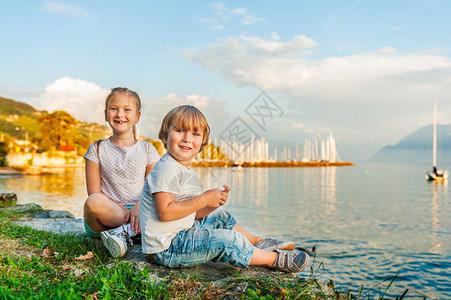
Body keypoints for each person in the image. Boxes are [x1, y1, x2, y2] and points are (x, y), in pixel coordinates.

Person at [140, 105, 310, 273]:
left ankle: (257, 242)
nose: (187, 138)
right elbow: (165, 213)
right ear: (165, 134)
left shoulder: (187, 171)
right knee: (227, 240)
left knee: (219, 216)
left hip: (179, 234)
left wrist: (210, 206)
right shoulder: (166, 169)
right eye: (179, 130)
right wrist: (203, 199)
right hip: (165, 249)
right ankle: (272, 259)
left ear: (202, 142)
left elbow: (192, 213)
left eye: (195, 134)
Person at [83, 87, 160, 258]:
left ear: (137, 116)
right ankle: (135, 229)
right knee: (92, 202)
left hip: (141, 210)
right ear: (106, 114)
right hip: (105, 217)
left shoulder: (148, 150)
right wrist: (130, 214)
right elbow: (94, 192)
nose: (120, 114)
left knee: (163, 201)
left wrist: (139, 207)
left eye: (127, 110)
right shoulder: (96, 149)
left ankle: (126, 232)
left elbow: (154, 188)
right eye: (114, 108)